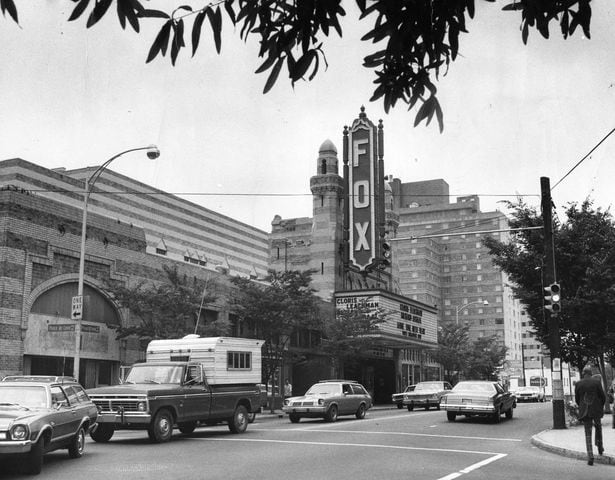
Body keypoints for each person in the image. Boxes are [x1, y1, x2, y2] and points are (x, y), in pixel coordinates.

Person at [574, 366, 606, 465]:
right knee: (598, 427)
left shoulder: (579, 383)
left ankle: (590, 456)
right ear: (591, 373)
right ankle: (600, 446)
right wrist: (600, 406)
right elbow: (603, 397)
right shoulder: (596, 382)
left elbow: (577, 399)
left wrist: (582, 406)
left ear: (583, 373)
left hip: (585, 411)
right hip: (596, 410)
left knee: (588, 433)